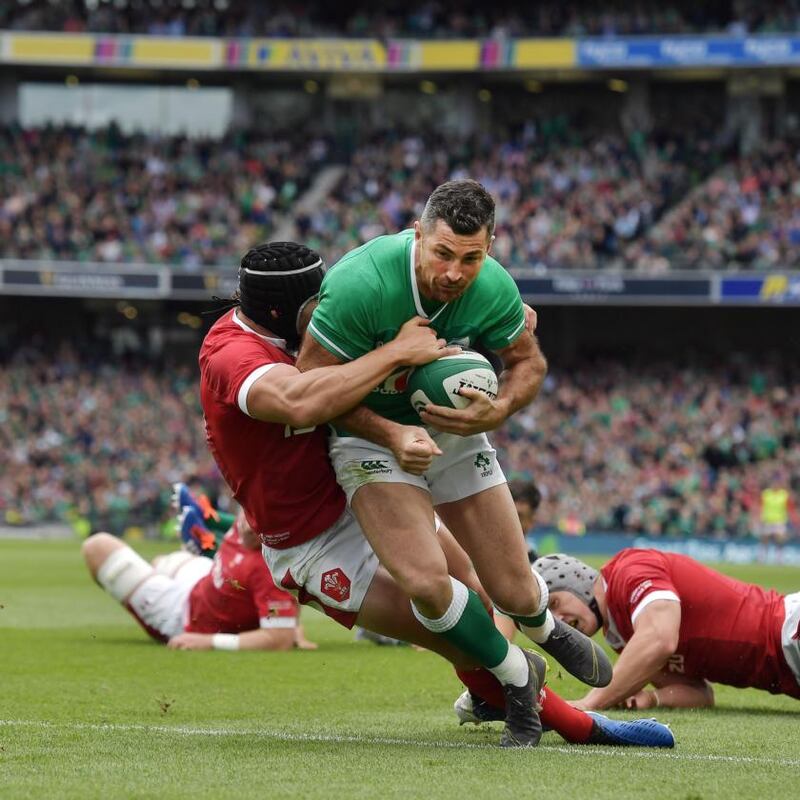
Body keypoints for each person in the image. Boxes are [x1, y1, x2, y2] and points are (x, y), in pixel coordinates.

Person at [199, 239, 557, 747]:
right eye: (315, 304)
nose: (327, 310)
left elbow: (399, 296)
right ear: (280, 312)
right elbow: (301, 402)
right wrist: (396, 352)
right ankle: (522, 685)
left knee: (475, 597)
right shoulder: (231, 352)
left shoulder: (323, 324)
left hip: (365, 481)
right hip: (311, 536)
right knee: (448, 631)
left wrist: (490, 308)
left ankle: (500, 685)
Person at [296, 180, 611, 702]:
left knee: (512, 590)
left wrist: (502, 407)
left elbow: (527, 362)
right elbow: (310, 381)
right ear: (417, 234)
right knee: (426, 581)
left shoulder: (493, 286)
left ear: (491, 245)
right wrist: (392, 432)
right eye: (442, 253)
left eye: (471, 258)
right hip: (370, 438)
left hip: (457, 435)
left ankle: (542, 628)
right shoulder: (362, 282)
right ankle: (515, 673)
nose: (453, 273)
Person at [528, 550, 800, 710]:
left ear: (576, 579)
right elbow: (700, 694)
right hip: (790, 673)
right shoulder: (624, 636)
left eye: (555, 603)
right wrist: (651, 697)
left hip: (789, 629)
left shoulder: (629, 569)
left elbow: (661, 639)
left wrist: (590, 703)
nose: (559, 619)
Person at [82, 509, 315, 651]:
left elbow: (278, 640)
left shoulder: (270, 568)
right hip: (204, 579)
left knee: (96, 547)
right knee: (161, 561)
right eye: (249, 513)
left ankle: (148, 596)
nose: (247, 528)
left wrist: (210, 643)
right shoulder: (249, 512)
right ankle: (163, 573)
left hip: (183, 615)